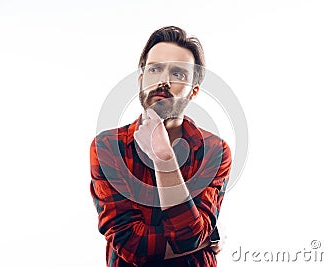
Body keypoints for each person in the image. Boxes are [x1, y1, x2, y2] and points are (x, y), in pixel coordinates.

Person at [90, 26, 232, 267]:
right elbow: (131, 246)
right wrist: (208, 237)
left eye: (179, 74)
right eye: (155, 69)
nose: (164, 81)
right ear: (141, 79)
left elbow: (191, 237)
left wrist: (164, 158)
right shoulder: (108, 147)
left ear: (192, 92)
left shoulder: (214, 151)